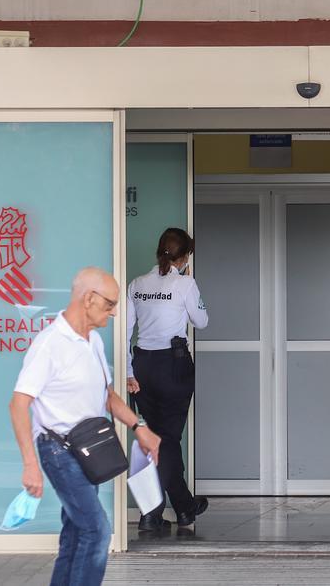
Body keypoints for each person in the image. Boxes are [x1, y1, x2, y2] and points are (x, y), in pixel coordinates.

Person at [10, 267, 161, 586]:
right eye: (110, 304)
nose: (115, 311)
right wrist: (30, 465)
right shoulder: (50, 343)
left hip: (87, 449)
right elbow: (19, 403)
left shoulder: (92, 341)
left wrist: (140, 427)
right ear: (88, 298)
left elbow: (107, 396)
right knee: (97, 530)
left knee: (77, 532)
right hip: (58, 449)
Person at [125, 228, 210, 532]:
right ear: (185, 257)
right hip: (173, 366)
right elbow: (201, 321)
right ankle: (180, 507)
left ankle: (159, 510)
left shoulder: (137, 284)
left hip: (143, 366)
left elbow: (125, 331)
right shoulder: (184, 283)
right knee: (169, 439)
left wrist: (128, 371)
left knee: (155, 439)